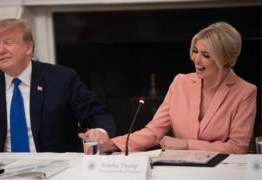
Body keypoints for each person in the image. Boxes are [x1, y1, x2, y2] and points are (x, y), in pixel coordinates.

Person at [0, 18, 115, 154]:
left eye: (8, 42)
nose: (1, 50)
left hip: (57, 167)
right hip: (3, 170)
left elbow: (96, 114)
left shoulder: (62, 79)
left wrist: (100, 131)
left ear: (28, 48)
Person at [100, 22, 257, 154]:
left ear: (225, 59)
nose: (197, 59)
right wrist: (109, 144)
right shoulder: (180, 83)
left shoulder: (245, 92)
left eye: (206, 55)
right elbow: (153, 132)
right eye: (195, 51)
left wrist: (186, 145)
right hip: (179, 169)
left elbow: (237, 148)